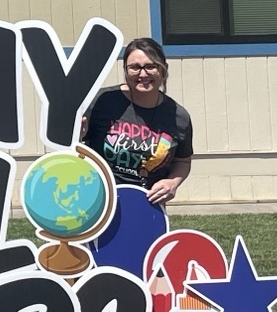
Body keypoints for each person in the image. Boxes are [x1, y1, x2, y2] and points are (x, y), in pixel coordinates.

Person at [80, 37, 193, 205]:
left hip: (147, 206)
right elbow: (74, 145)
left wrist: (172, 182)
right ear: (125, 70)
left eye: (151, 66)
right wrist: (76, 135)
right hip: (98, 201)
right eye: (134, 67)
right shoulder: (102, 101)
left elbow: (183, 161)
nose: (143, 74)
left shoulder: (179, 116)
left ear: (164, 69)